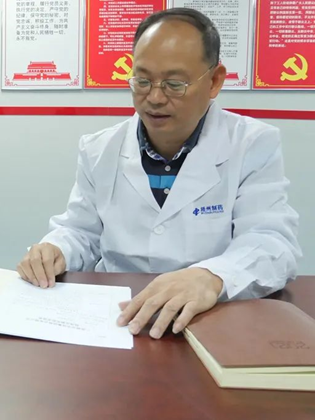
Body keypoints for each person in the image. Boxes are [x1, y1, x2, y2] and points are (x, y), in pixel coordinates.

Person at [17, 8, 300, 339]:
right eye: (142, 80)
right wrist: (55, 249)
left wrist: (212, 276)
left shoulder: (251, 144)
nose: (154, 97)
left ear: (214, 81)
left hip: (210, 318)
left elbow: (272, 243)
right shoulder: (99, 149)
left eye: (174, 84)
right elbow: (81, 231)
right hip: (118, 317)